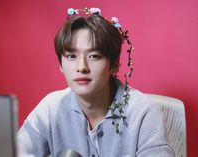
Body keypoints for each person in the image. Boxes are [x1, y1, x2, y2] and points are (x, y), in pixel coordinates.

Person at [17, 7, 175, 157]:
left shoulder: (143, 112)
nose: (81, 67)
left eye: (94, 56)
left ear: (114, 65)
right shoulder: (51, 108)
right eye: (72, 56)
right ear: (61, 65)